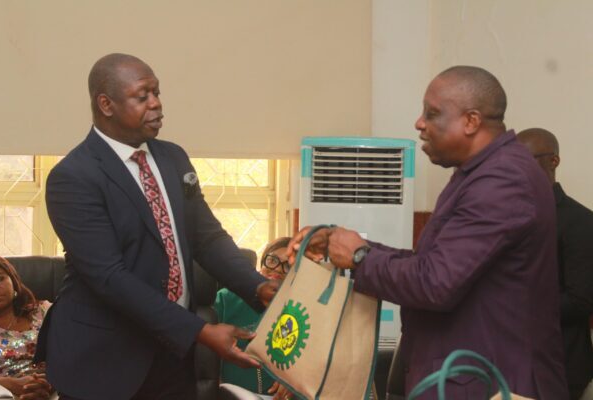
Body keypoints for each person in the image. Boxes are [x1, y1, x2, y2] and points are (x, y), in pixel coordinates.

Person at [288, 66, 568, 399]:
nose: (419, 123)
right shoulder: (480, 173)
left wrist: (361, 257)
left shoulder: (502, 180)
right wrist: (344, 244)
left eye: (432, 114)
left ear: (471, 121)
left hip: (492, 383)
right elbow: (432, 264)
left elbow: (436, 282)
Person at [35, 53, 278, 400]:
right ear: (106, 104)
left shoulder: (173, 158)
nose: (157, 104)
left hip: (170, 350)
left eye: (158, 93)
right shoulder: (73, 177)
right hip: (102, 358)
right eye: (143, 95)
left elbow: (206, 238)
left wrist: (258, 288)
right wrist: (200, 331)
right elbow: (109, 277)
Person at [517, 128, 593, 400]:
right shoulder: (507, 214)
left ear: (553, 161)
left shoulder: (580, 222)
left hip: (560, 365)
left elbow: (580, 300)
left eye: (527, 160)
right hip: (511, 361)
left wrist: (515, 304)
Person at [215, 237, 294, 400]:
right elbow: (204, 360)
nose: (278, 269)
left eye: (288, 266)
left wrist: (297, 380)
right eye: (272, 260)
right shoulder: (226, 299)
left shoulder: (301, 308)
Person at [0, 254, 53, 400]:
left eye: (0, 278)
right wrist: (12, 384)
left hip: (57, 389)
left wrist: (48, 384)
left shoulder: (43, 310)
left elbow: (75, 350)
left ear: (13, 280)